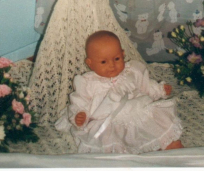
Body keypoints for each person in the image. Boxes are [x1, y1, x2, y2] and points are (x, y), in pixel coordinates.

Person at [55, 30, 183, 154]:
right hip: (108, 122)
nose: (111, 65)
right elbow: (79, 101)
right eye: (103, 62)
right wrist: (80, 114)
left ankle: (172, 150)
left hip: (138, 113)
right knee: (111, 144)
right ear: (90, 63)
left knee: (157, 129)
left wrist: (159, 89)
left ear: (122, 54)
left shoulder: (131, 71)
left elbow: (144, 86)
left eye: (116, 59)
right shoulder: (88, 83)